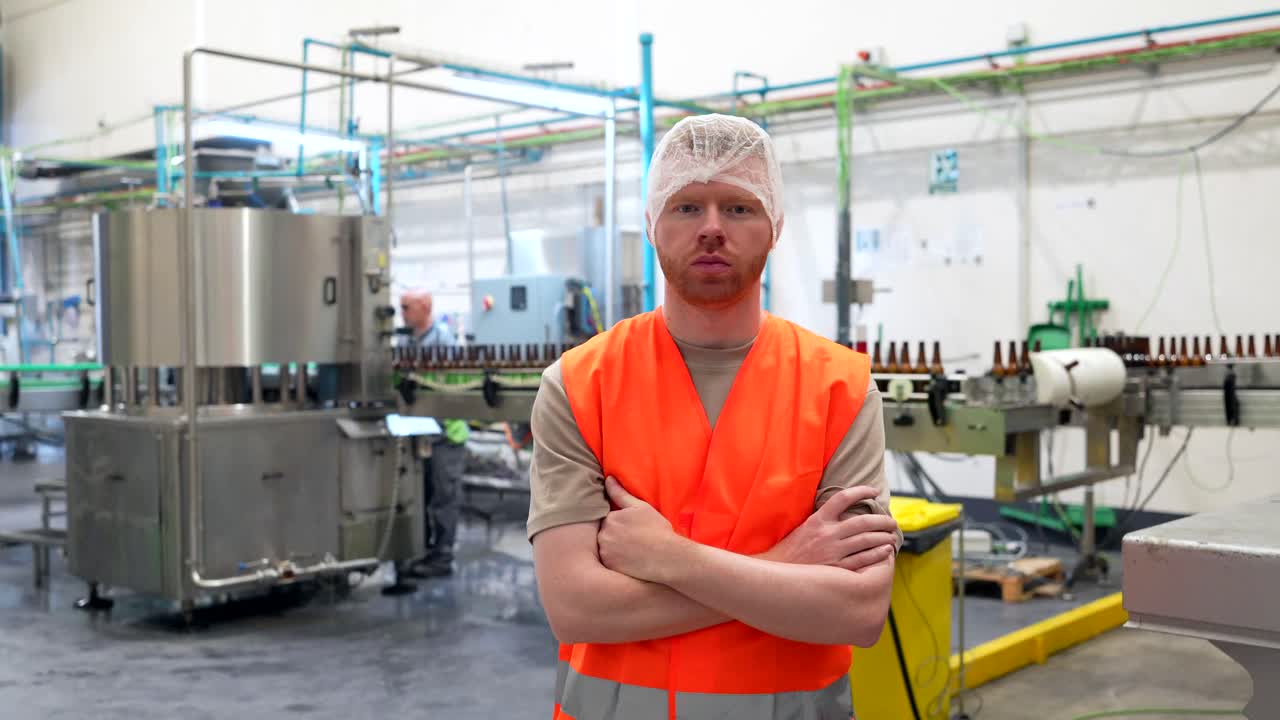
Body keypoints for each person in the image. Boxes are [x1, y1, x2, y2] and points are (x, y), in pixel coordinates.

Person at [527, 114, 902, 719]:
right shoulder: (580, 385)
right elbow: (576, 608)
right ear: (651, 223)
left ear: (774, 226)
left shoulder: (841, 388)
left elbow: (857, 612)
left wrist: (673, 560)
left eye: (738, 208)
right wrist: (784, 565)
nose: (710, 228)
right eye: (686, 207)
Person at [400, 289, 469, 578]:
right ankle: (423, 551)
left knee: (443, 498)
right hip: (418, 431)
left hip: (446, 434)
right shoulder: (404, 340)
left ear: (425, 307)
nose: (402, 312)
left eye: (406, 307)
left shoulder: (444, 340)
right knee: (420, 495)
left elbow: (453, 389)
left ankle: (442, 557)